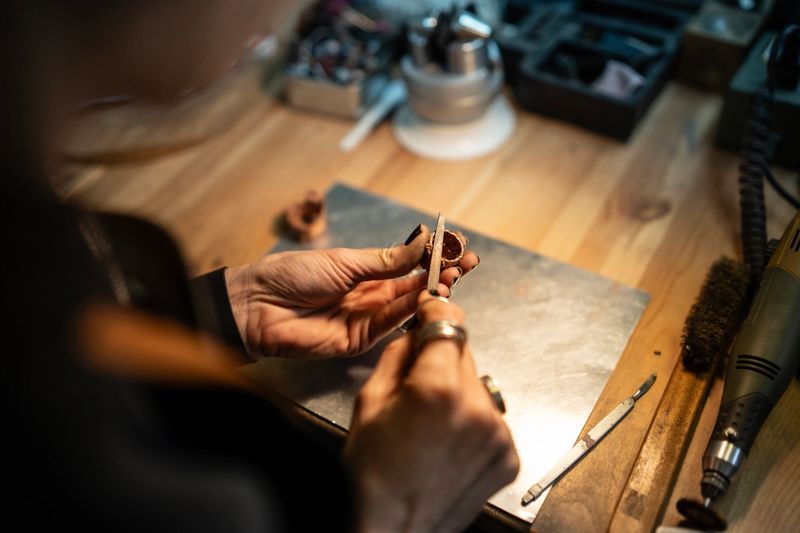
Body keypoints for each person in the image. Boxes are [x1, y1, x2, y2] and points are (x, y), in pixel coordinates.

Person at [3, 2, 519, 532]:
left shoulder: (40, 232)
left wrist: (238, 308)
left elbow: (103, 343)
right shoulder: (57, 427)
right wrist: (395, 515)